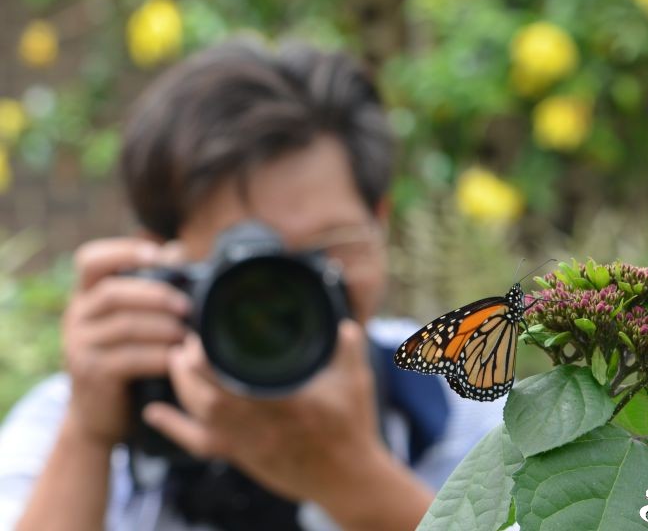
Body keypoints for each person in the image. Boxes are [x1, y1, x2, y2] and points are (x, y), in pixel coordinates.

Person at [0, 37, 504, 530]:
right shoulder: (69, 420)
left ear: (379, 224)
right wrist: (88, 437)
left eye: (328, 246)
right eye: (248, 265)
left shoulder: (468, 400)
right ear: (159, 263)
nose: (289, 291)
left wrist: (354, 480)